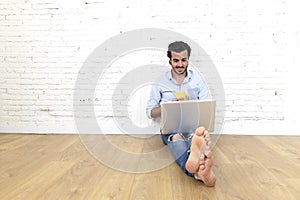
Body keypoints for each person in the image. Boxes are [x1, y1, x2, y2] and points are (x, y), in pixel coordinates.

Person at [146, 41, 216, 186]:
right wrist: (168, 106)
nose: (179, 64)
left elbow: (205, 105)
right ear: (170, 60)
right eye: (176, 60)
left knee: (194, 135)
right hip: (171, 129)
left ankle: (199, 172)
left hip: (193, 126)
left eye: (183, 60)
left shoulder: (197, 79)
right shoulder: (160, 82)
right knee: (177, 137)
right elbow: (150, 112)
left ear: (188, 59)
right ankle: (197, 164)